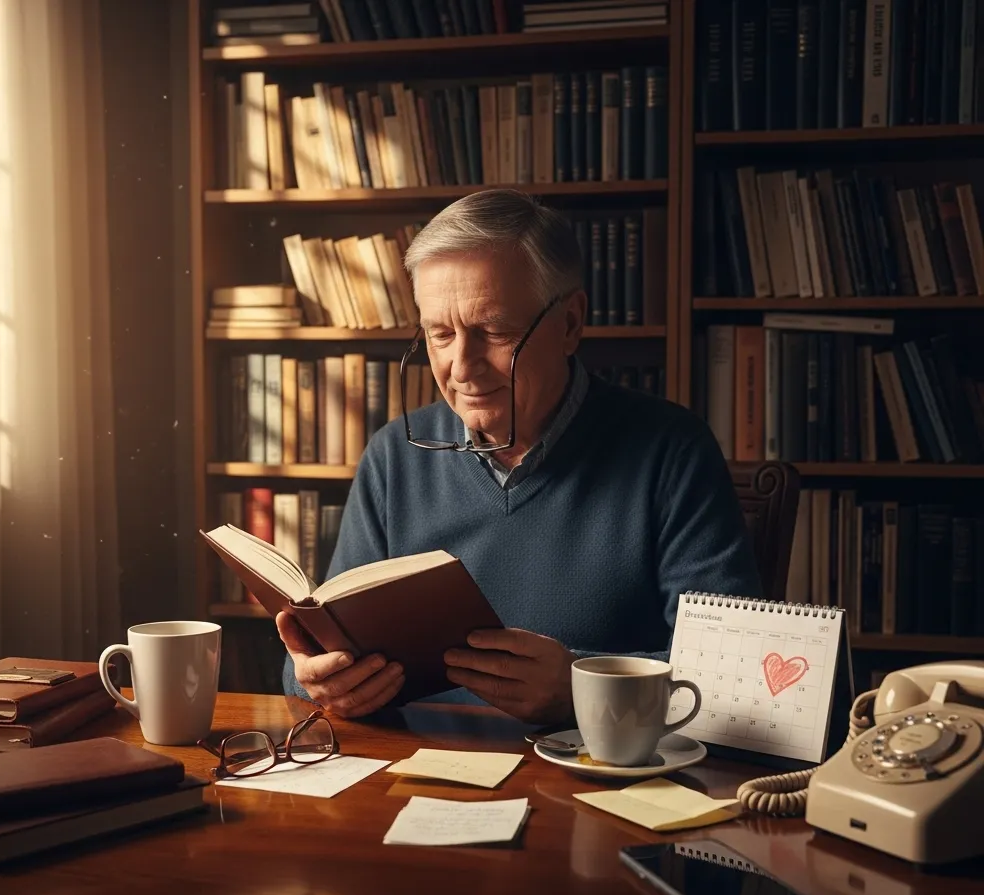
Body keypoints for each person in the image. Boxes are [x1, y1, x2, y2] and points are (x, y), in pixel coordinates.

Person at [279, 188, 761, 724]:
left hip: (597, 781)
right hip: (416, 778)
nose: (462, 367)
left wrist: (582, 689)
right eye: (440, 334)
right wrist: (318, 678)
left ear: (571, 324)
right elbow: (314, 655)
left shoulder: (673, 452)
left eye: (495, 331)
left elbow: (730, 680)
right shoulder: (394, 456)